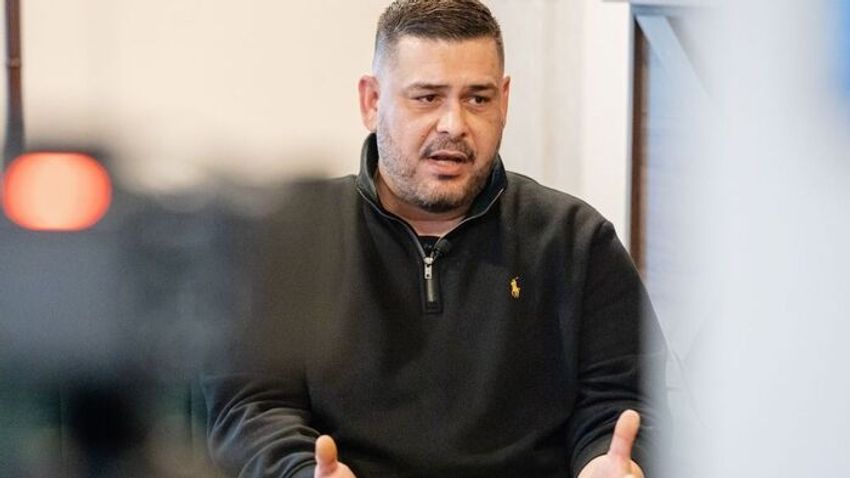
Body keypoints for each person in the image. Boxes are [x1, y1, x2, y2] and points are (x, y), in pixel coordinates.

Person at [202, 1, 667, 477]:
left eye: (478, 99)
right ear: (372, 101)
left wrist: (610, 463)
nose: (454, 125)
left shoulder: (576, 241)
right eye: (427, 98)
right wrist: (299, 471)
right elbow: (250, 407)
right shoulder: (293, 241)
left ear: (504, 101)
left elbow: (624, 403)